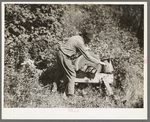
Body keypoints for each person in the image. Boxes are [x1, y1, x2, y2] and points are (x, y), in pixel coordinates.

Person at [52, 30, 106, 98]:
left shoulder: (77, 37)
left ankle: (54, 90)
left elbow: (72, 46)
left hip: (60, 53)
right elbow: (88, 56)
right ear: (86, 37)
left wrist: (84, 48)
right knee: (72, 74)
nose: (89, 41)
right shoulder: (80, 42)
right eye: (89, 40)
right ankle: (70, 95)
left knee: (59, 72)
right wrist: (99, 62)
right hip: (64, 55)